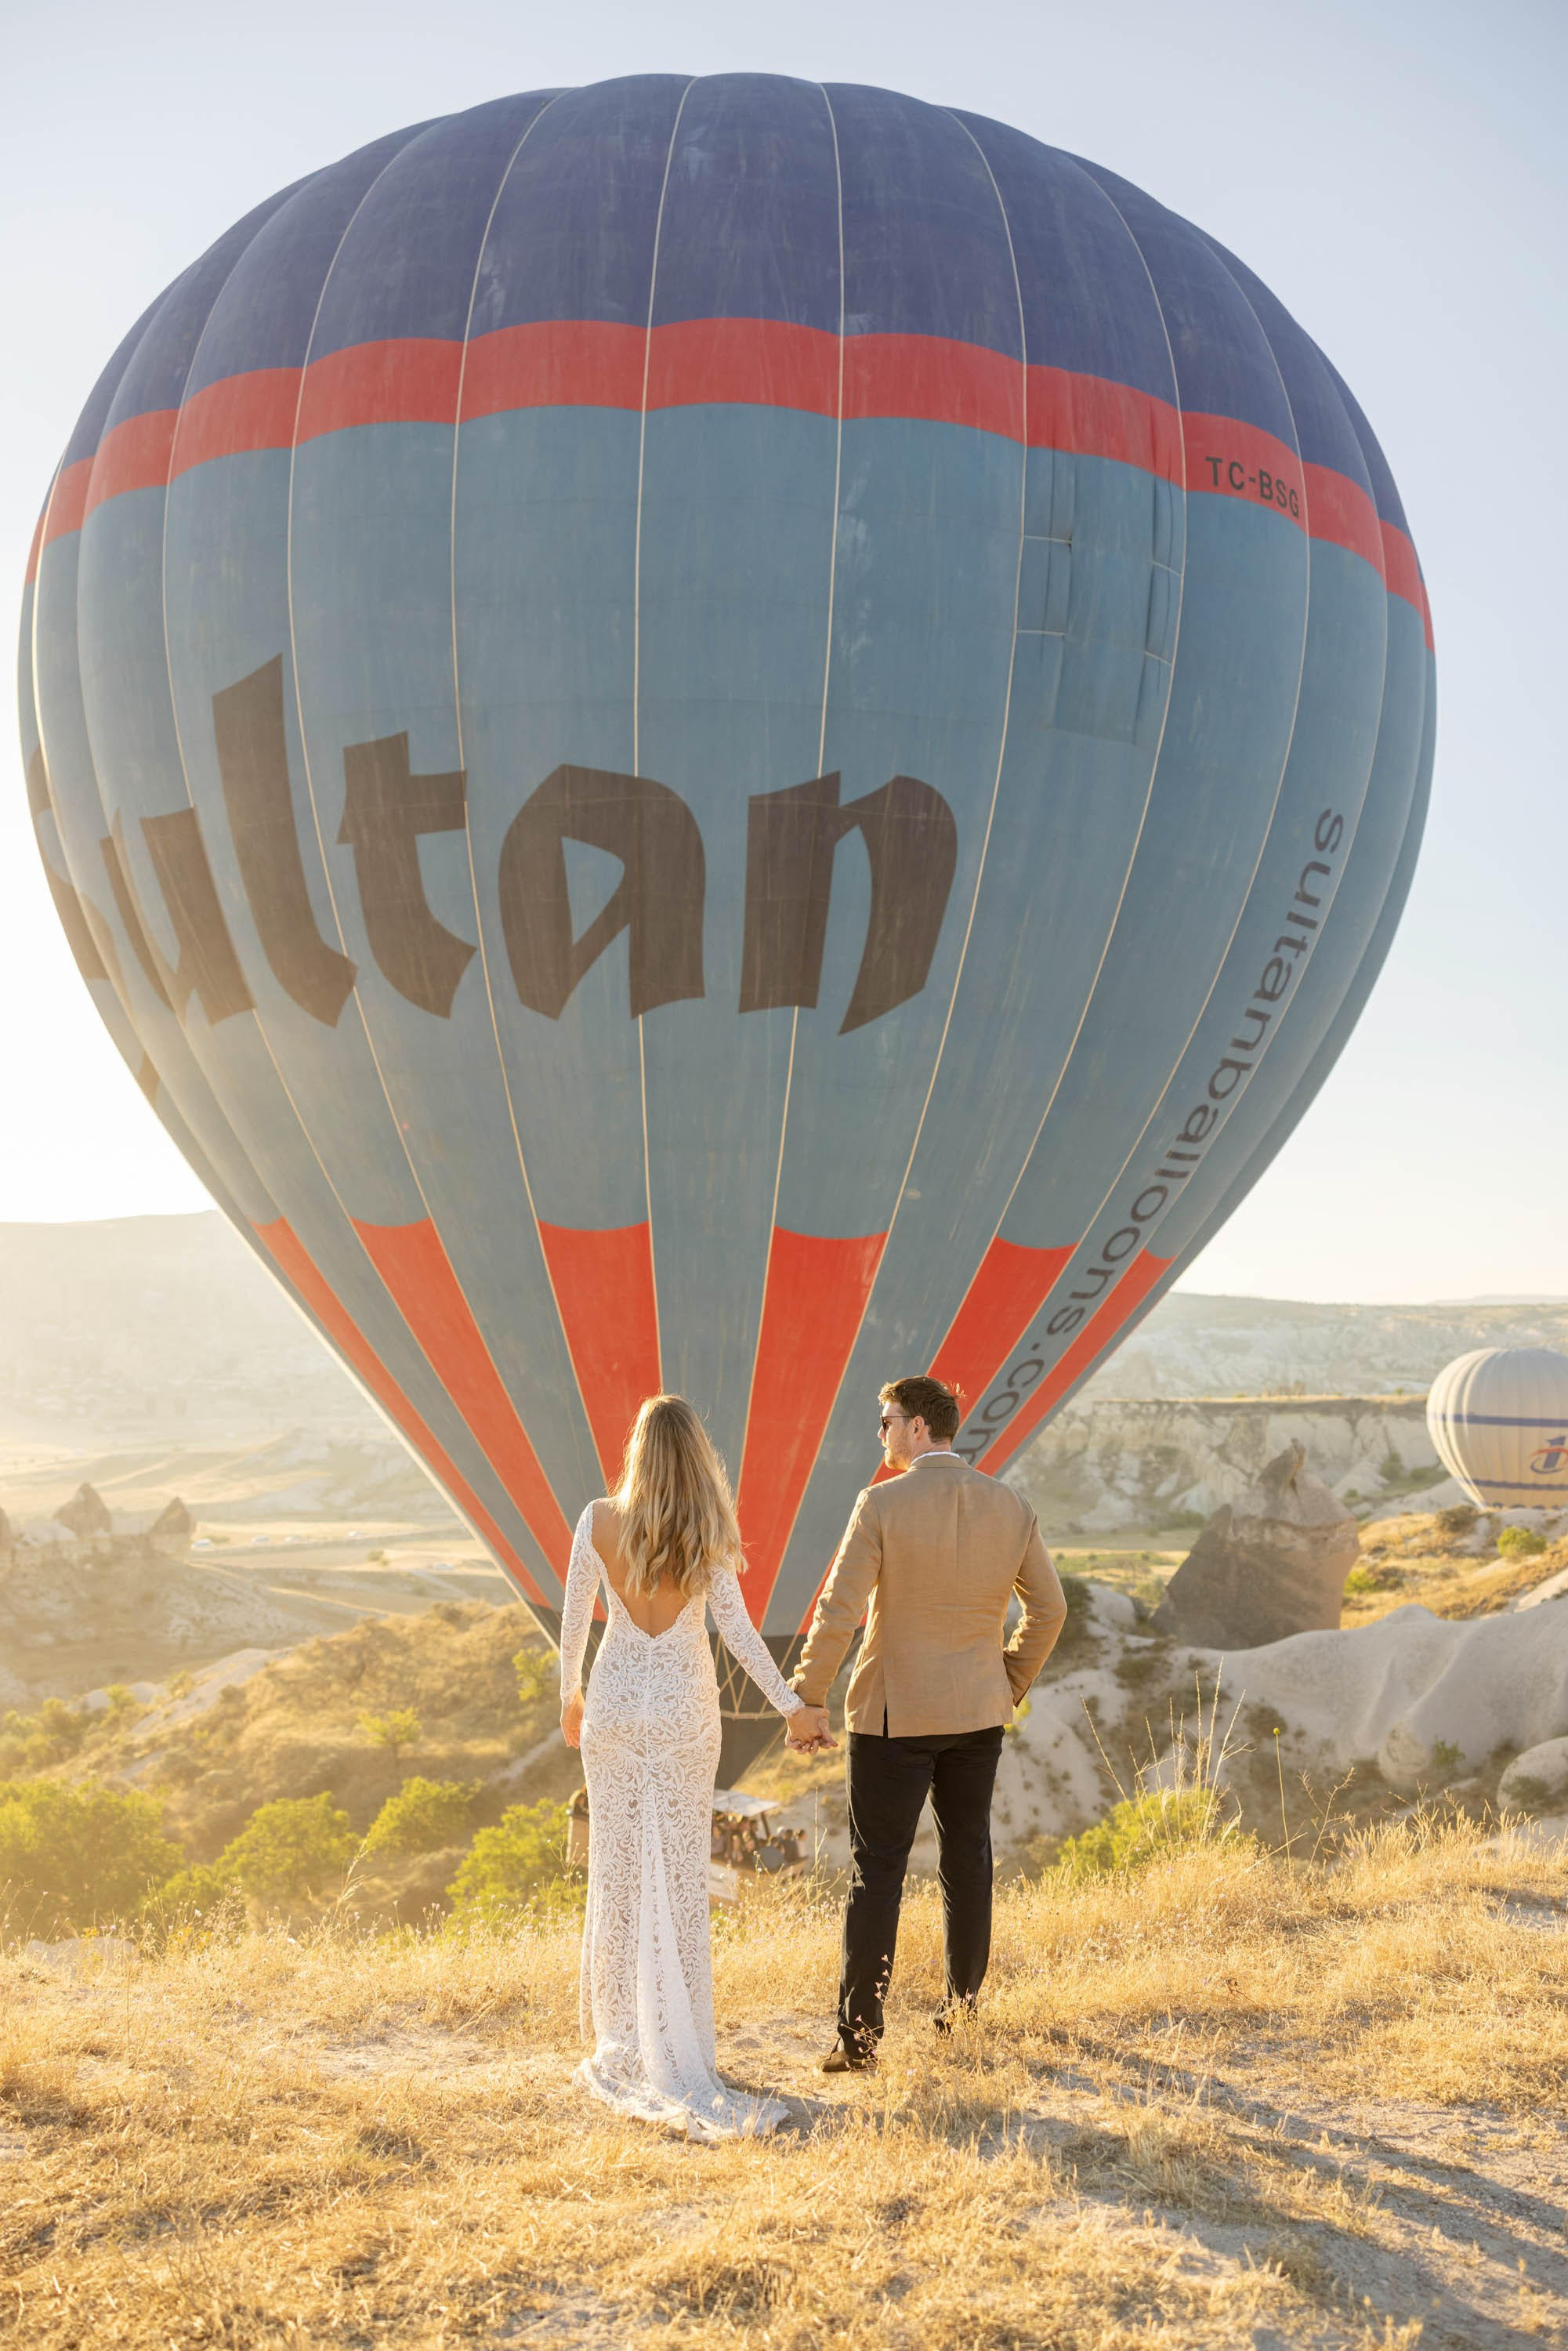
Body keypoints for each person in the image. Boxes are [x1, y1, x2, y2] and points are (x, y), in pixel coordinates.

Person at [559, 1393, 824, 2139]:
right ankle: (679, 2047)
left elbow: (576, 1617)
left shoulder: (597, 1520)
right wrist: (790, 1708)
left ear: (637, 1451)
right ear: (696, 1457)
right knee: (676, 1877)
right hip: (681, 1713)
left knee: (614, 1871)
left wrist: (568, 1696)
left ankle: (621, 2038)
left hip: (613, 1705)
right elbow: (737, 1634)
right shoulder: (707, 1531)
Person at [788, 1374, 1066, 2071]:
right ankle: (962, 2011)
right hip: (977, 1712)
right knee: (967, 1858)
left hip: (893, 1717)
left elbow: (838, 1609)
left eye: (885, 1422)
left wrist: (808, 1698)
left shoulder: (881, 1502)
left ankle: (860, 2040)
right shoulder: (1011, 1504)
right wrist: (1007, 1680)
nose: (878, 1434)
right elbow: (1050, 1611)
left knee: (875, 1872)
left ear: (917, 1428)